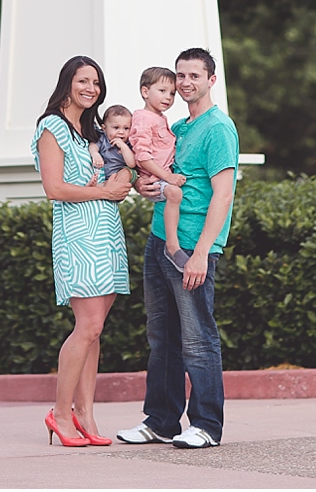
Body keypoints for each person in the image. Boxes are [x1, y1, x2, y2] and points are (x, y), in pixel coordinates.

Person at [117, 47, 238, 452]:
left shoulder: (218, 128)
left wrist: (203, 252)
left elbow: (223, 195)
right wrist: (143, 185)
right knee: (162, 338)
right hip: (159, 242)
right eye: (180, 75)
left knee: (198, 338)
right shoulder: (181, 127)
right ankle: (161, 421)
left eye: (194, 76)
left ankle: (206, 425)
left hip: (190, 248)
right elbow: (160, 176)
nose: (185, 83)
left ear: (211, 80)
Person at [32, 55, 132, 448]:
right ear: (67, 83)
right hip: (79, 237)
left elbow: (122, 170)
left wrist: (121, 180)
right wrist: (104, 191)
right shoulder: (51, 127)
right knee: (86, 327)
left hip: (107, 231)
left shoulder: (91, 129)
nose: (91, 89)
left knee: (96, 331)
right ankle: (59, 414)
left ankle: (86, 413)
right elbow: (54, 188)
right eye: (83, 81)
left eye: (96, 83)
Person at [128, 66, 187, 266]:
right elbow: (142, 156)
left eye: (172, 93)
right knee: (175, 194)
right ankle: (172, 246)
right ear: (145, 92)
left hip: (160, 177)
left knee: (174, 194)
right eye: (162, 91)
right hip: (154, 179)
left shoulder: (160, 118)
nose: (168, 97)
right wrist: (168, 177)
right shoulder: (143, 118)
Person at [93, 105, 137, 177]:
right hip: (100, 177)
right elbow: (93, 145)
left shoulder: (128, 144)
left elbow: (132, 164)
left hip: (117, 178)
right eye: (116, 128)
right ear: (104, 128)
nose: (121, 132)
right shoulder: (103, 138)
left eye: (126, 128)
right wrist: (95, 153)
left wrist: (123, 147)